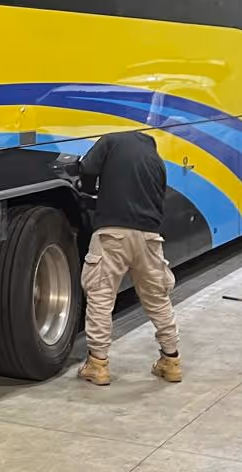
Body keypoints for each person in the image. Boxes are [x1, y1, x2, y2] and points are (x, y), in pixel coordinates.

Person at [75, 129, 181, 386]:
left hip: (113, 234)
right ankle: (171, 361)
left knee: (101, 297)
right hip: (149, 238)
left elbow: (87, 169)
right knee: (157, 299)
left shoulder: (111, 141)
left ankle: (97, 365)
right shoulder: (156, 161)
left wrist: (88, 191)